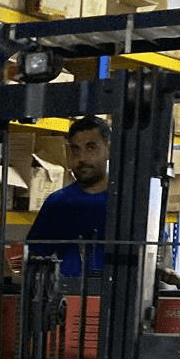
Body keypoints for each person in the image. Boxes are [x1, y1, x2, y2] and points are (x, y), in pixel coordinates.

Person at [26, 114, 110, 277]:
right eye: (75, 150)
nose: (82, 158)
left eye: (91, 147)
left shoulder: (125, 202)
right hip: (65, 299)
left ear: (109, 149)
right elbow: (35, 258)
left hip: (113, 299)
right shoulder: (58, 203)